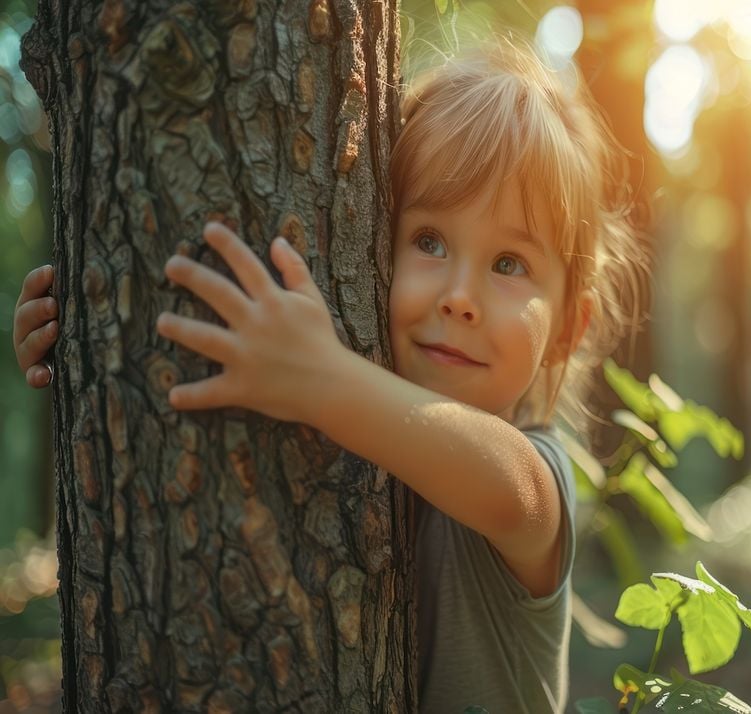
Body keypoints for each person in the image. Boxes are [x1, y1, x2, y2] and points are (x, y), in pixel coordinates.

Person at [12, 36, 647, 713]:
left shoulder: (538, 482)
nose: (460, 296)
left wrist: (321, 378)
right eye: (429, 241)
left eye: (509, 264)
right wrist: (86, 343)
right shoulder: (367, 431)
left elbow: (513, 489)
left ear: (569, 332)